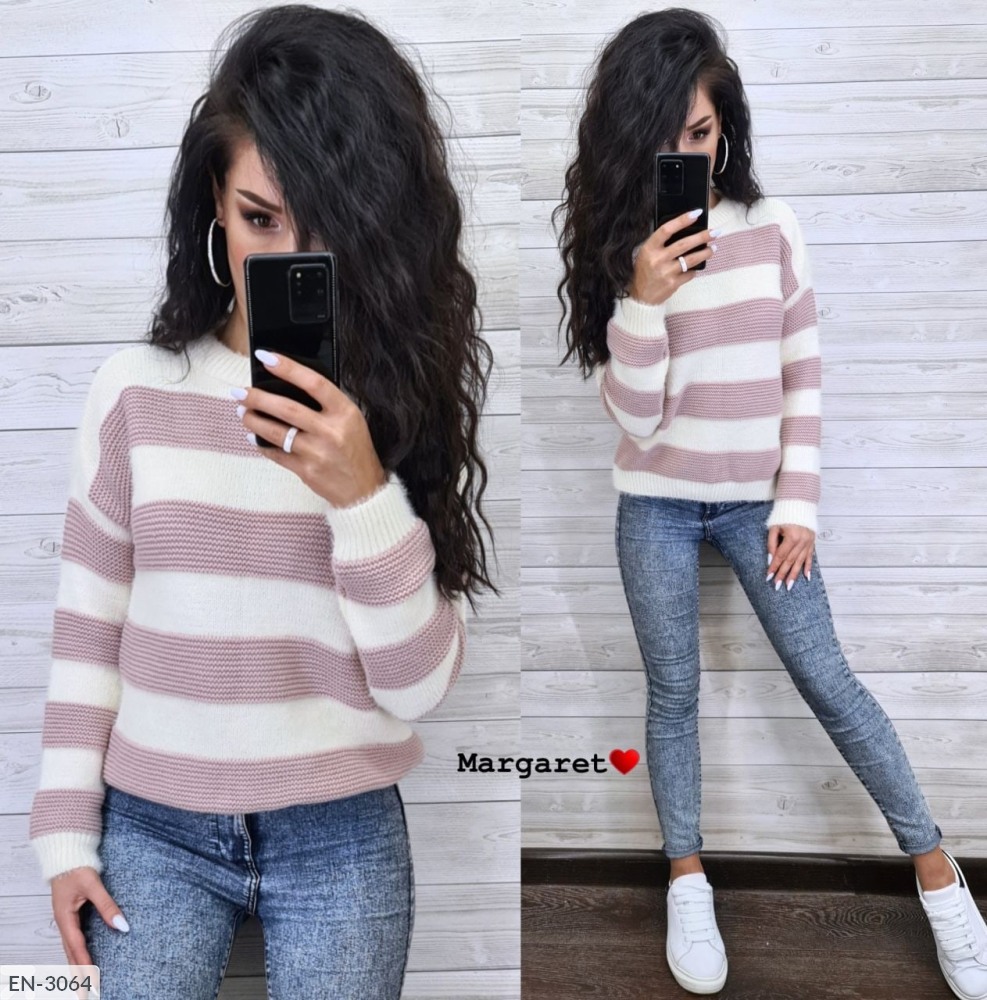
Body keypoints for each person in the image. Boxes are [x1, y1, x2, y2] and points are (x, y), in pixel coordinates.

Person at [28, 6, 495, 998]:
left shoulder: (395, 402)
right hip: (151, 828)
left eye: (320, 227)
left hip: (343, 831)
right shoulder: (134, 394)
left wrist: (362, 495)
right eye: (258, 218)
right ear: (214, 200)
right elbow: (88, 631)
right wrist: (64, 834)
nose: (284, 258)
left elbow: (418, 688)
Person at [553, 8, 987, 998]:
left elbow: (803, 375)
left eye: (701, 133)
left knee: (827, 678)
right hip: (656, 505)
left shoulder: (772, 228)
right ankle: (687, 878)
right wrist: (643, 300)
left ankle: (937, 874)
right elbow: (637, 417)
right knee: (672, 692)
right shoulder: (623, 251)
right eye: (665, 138)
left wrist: (799, 502)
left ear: (727, 127)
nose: (687, 155)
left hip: (759, 505)